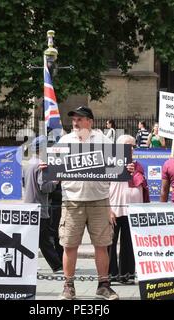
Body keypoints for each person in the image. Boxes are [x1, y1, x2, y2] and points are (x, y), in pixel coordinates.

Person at [53, 106, 134, 300]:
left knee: (102, 244)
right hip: (72, 201)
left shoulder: (103, 141)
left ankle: (103, 285)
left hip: (99, 201)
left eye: (80, 119)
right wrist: (47, 169)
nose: (75, 122)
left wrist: (126, 167)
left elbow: (116, 169)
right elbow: (54, 178)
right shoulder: (64, 141)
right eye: (73, 119)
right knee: (69, 245)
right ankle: (68, 286)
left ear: (90, 121)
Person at [108, 135, 150, 284]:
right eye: (128, 146)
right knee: (109, 243)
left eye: (133, 146)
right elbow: (103, 188)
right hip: (114, 209)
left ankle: (126, 275)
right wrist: (107, 209)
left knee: (129, 244)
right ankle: (110, 275)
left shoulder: (138, 166)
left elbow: (141, 184)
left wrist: (135, 173)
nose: (131, 149)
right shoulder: (110, 163)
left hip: (132, 211)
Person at [23, 135, 63, 273]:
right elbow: (44, 187)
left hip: (28, 205)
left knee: (34, 238)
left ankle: (29, 264)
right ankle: (57, 265)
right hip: (40, 207)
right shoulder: (42, 164)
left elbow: (24, 183)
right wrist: (56, 181)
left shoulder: (27, 163)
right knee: (44, 239)